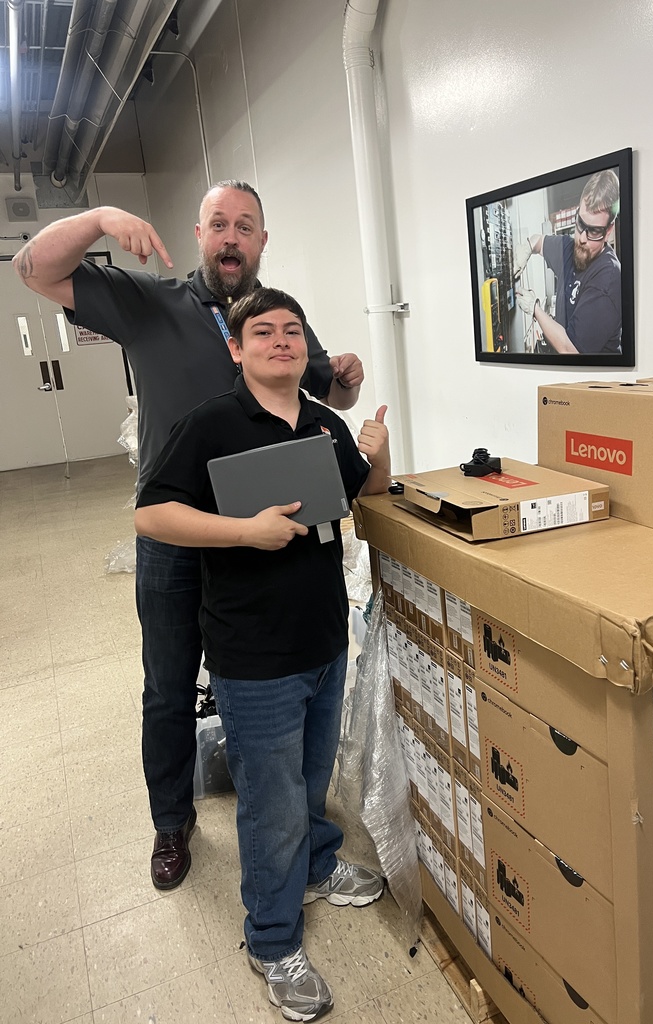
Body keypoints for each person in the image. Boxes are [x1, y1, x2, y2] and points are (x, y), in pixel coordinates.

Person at [12, 181, 365, 890]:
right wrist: (103, 218)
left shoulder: (273, 318)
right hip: (176, 536)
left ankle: (287, 815)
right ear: (199, 235)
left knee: (268, 677)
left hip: (268, 537)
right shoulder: (150, 302)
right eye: (219, 226)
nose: (231, 238)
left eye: (246, 227)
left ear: (262, 242)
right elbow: (35, 269)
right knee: (169, 686)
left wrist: (350, 382)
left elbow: (329, 393)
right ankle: (171, 822)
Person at [135, 286, 390, 1022]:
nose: (282, 341)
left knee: (311, 779)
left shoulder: (323, 423)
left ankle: (313, 869)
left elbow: (363, 498)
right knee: (271, 803)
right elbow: (153, 511)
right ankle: (272, 940)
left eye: (293, 332)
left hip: (320, 638)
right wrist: (243, 532)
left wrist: (376, 451)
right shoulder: (210, 423)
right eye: (264, 332)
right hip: (254, 654)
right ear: (237, 348)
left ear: (306, 349)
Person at [512, 169, 622, 355]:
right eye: (580, 224)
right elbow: (540, 241)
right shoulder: (572, 248)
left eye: (594, 231)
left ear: (609, 231)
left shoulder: (607, 279)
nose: (582, 238)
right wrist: (528, 247)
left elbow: (570, 349)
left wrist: (535, 309)